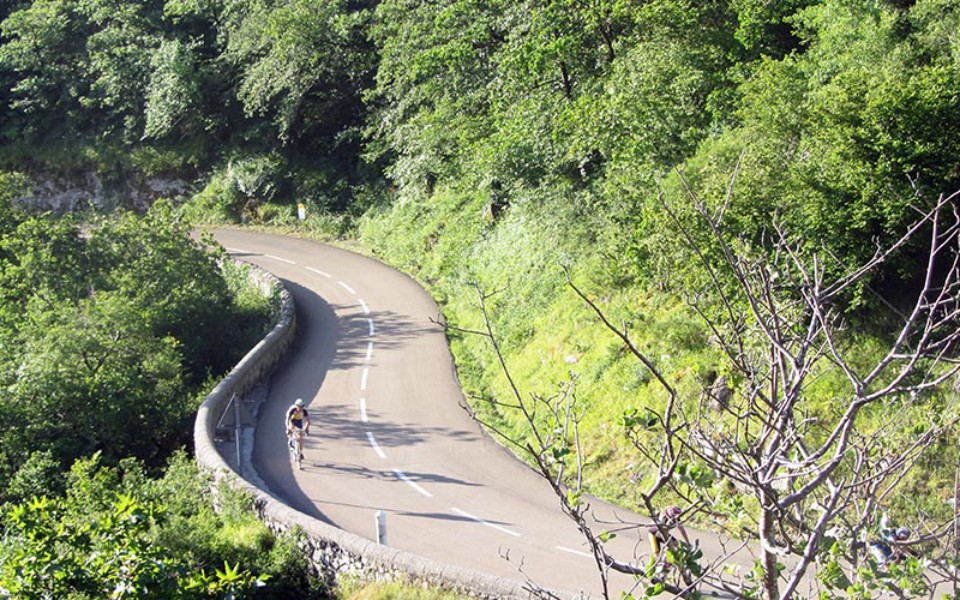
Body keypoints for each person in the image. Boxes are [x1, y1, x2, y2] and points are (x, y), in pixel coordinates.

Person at [647, 506, 691, 582]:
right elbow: (660, 531)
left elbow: (682, 531)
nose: (674, 520)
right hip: (654, 533)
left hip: (664, 534)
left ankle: (666, 560)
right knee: (657, 555)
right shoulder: (663, 517)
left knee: (675, 544)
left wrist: (688, 542)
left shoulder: (676, 519)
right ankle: (655, 569)